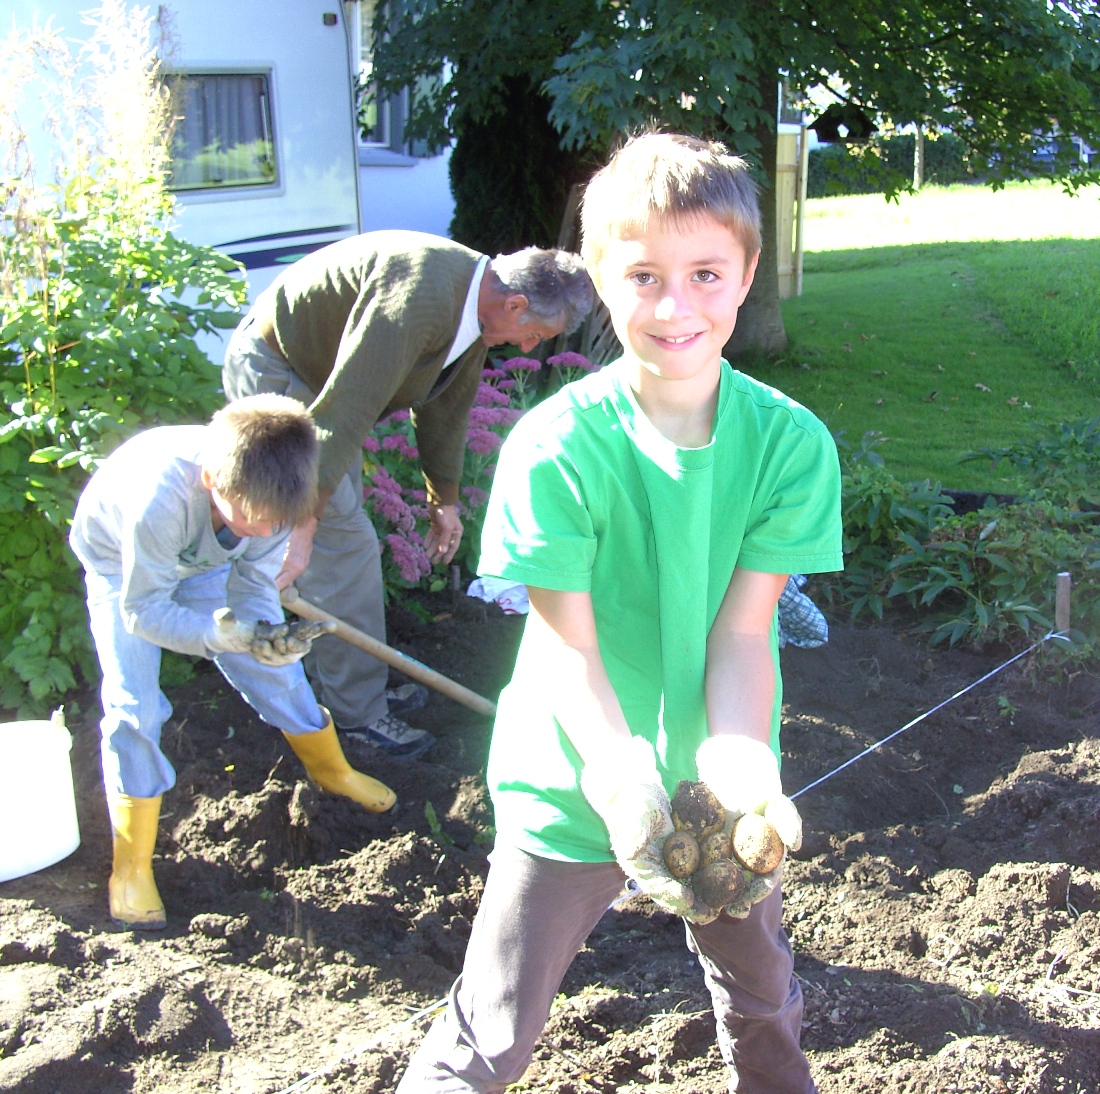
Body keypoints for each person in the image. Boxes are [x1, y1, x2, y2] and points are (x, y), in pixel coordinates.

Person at [398, 134, 842, 1093]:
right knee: (492, 1030)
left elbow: (742, 630)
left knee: (763, 995)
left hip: (719, 793)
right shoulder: (555, 448)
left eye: (705, 274)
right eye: (643, 277)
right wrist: (614, 770)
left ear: (747, 274)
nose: (675, 306)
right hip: (572, 773)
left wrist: (739, 760)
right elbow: (570, 648)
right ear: (600, 280)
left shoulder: (790, 445)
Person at [222, 232, 595, 760]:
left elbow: (447, 404)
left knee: (339, 537)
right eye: (534, 333)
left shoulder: (474, 301)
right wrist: (301, 529)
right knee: (342, 544)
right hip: (279, 369)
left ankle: (350, 686)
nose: (529, 347)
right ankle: (358, 715)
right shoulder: (419, 299)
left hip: (319, 378)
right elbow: (347, 409)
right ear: (514, 304)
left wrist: (443, 500)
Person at [70, 395, 397, 931]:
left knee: (277, 670)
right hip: (121, 564)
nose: (265, 531)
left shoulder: (270, 502)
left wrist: (265, 635)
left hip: (204, 558)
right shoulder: (160, 500)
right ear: (210, 480)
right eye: (253, 518)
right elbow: (143, 610)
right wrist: (214, 635)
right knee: (135, 706)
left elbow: (253, 585)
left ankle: (333, 772)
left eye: (276, 523)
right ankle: (130, 867)